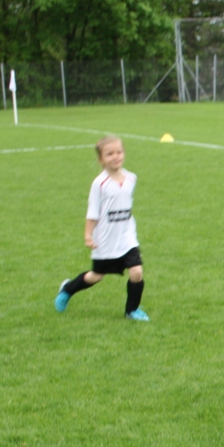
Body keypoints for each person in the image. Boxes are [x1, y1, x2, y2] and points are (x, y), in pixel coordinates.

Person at [54, 136, 149, 320]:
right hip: (105, 238)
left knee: (137, 271)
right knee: (96, 276)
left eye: (119, 152)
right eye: (109, 154)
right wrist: (88, 235)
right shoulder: (99, 184)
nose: (116, 156)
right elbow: (93, 212)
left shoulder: (131, 178)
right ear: (101, 160)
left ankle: (132, 310)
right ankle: (68, 289)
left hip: (127, 237)